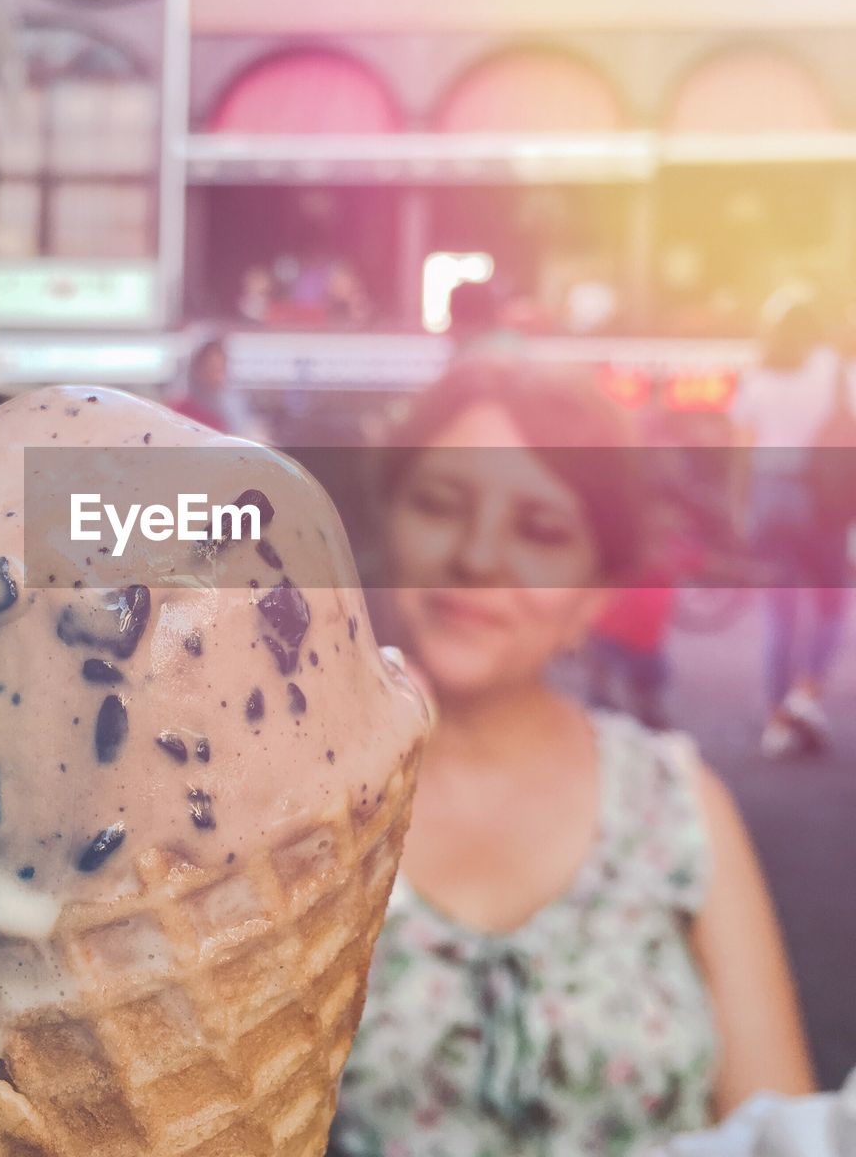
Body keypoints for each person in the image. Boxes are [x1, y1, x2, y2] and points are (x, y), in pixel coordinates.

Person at [332, 360, 813, 1157]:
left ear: (596, 595)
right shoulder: (290, 809)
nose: (479, 556)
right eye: (440, 506)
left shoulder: (677, 803)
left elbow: (780, 1127)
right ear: (385, 523)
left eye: (542, 531)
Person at [729, 299, 850, 758]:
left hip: (767, 495)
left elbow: (742, 448)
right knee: (831, 603)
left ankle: (777, 723)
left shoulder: (757, 375)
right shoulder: (833, 369)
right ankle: (807, 694)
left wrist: (740, 505)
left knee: (779, 613)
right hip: (820, 494)